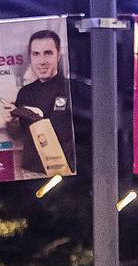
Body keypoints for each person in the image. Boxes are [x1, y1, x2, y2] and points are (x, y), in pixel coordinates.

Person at [5, 28, 81, 175]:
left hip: (64, 170)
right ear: (31, 58)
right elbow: (17, 135)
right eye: (36, 54)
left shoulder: (70, 89)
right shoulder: (25, 92)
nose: (42, 61)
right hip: (31, 170)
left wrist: (37, 116)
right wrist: (12, 122)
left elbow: (62, 129)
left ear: (58, 55)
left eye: (48, 53)